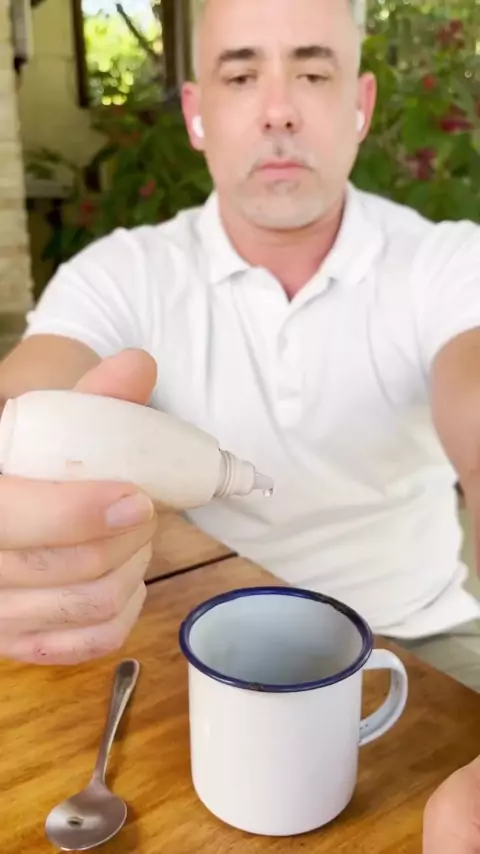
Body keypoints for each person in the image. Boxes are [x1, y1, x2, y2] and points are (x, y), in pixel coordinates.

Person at [0, 0, 480, 689]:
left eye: (313, 74)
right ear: (196, 114)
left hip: (423, 639)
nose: (279, 112)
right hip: (202, 639)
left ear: (361, 105)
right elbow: (21, 400)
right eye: (241, 76)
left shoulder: (449, 264)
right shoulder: (123, 274)